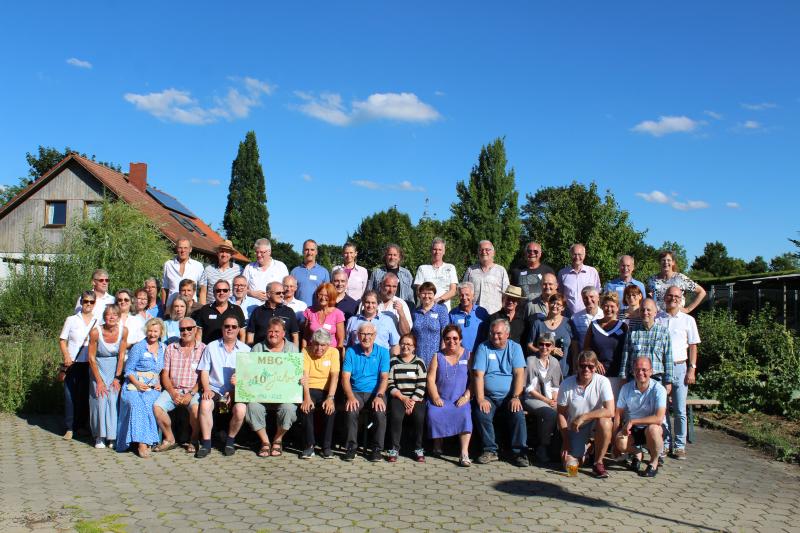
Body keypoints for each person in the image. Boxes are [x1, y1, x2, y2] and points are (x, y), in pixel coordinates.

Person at [473, 318, 528, 467]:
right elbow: (478, 375)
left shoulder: (515, 348)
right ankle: (490, 450)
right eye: (492, 333)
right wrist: (480, 398)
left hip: (510, 396)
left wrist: (516, 397)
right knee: (481, 412)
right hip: (488, 397)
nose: (494, 336)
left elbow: (519, 374)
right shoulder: (483, 348)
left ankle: (519, 453)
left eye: (498, 334)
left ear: (507, 335)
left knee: (518, 414)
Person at [196, 317, 251, 458]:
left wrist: (235, 391)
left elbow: (250, 377)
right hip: (215, 389)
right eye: (227, 326)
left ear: (239, 329)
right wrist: (207, 389)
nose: (230, 329)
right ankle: (206, 443)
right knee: (205, 404)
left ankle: (230, 442)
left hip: (236, 391)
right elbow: (204, 370)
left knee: (240, 410)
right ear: (222, 328)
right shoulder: (211, 347)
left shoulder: (246, 350)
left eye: (234, 326)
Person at [656, 286, 701, 460]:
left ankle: (680, 446)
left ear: (681, 299)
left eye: (676, 296)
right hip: (661, 368)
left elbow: (693, 346)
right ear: (665, 297)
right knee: (663, 408)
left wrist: (692, 368)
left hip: (680, 367)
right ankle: (666, 444)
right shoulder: (658, 317)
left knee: (680, 410)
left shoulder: (688, 320)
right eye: (670, 295)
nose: (672, 299)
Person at [246, 318, 300, 458]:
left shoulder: (293, 349)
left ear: (284, 333)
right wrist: (239, 379)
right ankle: (265, 442)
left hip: (285, 395)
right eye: (270, 331)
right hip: (261, 394)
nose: (273, 334)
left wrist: (301, 378)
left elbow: (297, 372)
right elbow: (249, 373)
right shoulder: (257, 348)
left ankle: (277, 439)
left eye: (277, 331)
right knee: (253, 407)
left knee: (288, 409)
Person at [556, 350, 614, 478]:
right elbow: (561, 414)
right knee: (571, 466)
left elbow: (610, 411)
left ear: (595, 367)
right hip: (575, 428)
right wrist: (565, 440)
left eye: (590, 366)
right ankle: (588, 449)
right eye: (582, 366)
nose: (586, 369)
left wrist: (583, 417)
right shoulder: (566, 384)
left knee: (606, 421)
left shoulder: (603, 381)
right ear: (577, 367)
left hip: (594, 424)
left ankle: (598, 463)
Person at [153, 317, 205, 454]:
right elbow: (165, 374)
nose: (186, 331)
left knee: (196, 410)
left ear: (195, 330)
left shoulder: (203, 349)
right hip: (174, 389)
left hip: (193, 390)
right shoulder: (171, 348)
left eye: (189, 328)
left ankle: (194, 439)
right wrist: (172, 392)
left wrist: (191, 393)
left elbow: (203, 377)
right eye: (182, 329)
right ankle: (170, 439)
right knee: (157, 407)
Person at [116, 318, 167, 458]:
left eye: (155, 331)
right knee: (137, 404)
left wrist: (160, 383)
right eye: (150, 331)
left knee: (149, 403)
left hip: (152, 387)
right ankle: (142, 443)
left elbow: (164, 371)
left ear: (161, 332)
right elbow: (129, 370)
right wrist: (138, 384)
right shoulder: (139, 347)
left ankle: (147, 440)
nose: (152, 334)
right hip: (134, 385)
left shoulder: (164, 348)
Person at [341, 322, 391, 462]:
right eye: (363, 334)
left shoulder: (383, 352)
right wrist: (350, 397)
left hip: (376, 392)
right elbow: (345, 378)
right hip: (356, 391)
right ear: (358, 335)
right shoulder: (351, 351)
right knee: (351, 410)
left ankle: (376, 449)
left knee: (380, 413)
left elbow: (384, 377)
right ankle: (351, 447)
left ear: (374, 336)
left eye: (369, 334)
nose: (366, 337)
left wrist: (380, 396)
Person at [426, 325, 473, 466]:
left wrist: (466, 396)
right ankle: (438, 444)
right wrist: (435, 397)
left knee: (465, 414)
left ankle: (464, 453)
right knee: (433, 412)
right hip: (442, 398)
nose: (451, 341)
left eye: (455, 338)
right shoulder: (437, 356)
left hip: (460, 399)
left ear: (460, 339)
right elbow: (430, 379)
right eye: (447, 338)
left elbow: (475, 379)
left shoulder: (468, 355)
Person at [614, 357, 667, 477]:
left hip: (652, 428)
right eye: (637, 369)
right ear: (633, 371)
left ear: (651, 371)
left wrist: (633, 421)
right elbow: (618, 414)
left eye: (644, 370)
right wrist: (614, 442)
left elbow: (659, 418)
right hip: (633, 429)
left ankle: (653, 462)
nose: (640, 373)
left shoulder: (659, 390)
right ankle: (637, 453)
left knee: (653, 429)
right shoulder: (626, 388)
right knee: (620, 442)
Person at [60, 290, 99, 440]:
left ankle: (81, 426)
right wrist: (66, 356)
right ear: (81, 302)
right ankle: (69, 427)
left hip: (89, 363)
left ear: (95, 304)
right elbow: (62, 339)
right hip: (73, 362)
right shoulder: (71, 319)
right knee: (70, 395)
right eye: (85, 301)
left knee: (84, 396)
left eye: (91, 302)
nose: (88, 304)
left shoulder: (98, 321)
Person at [87, 304, 127, 449]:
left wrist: (117, 377)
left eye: (114, 314)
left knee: (113, 399)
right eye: (108, 314)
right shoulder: (95, 332)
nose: (111, 317)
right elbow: (91, 358)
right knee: (100, 399)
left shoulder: (124, 331)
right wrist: (99, 381)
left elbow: (122, 355)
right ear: (104, 316)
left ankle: (112, 436)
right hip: (97, 367)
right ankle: (99, 436)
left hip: (114, 368)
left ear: (118, 317)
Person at [386, 333, 428, 462]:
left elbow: (422, 384)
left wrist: (412, 401)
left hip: (416, 399)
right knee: (396, 416)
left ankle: (418, 448)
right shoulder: (393, 361)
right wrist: (403, 398)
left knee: (419, 417)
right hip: (398, 397)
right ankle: (394, 448)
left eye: (409, 344)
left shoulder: (419, 362)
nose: (405, 346)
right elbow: (390, 383)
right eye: (403, 343)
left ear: (414, 347)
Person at [523, 332, 563, 464]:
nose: (544, 347)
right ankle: (543, 447)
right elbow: (528, 388)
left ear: (552, 347)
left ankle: (558, 448)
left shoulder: (555, 362)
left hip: (550, 399)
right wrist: (547, 401)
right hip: (531, 398)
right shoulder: (531, 361)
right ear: (537, 345)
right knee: (550, 413)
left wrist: (555, 400)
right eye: (541, 344)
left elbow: (556, 385)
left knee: (563, 412)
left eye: (548, 345)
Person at [619, 299, 674, 395]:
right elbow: (625, 356)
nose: (645, 313)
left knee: (656, 409)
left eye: (648, 310)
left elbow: (668, 358)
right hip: (635, 378)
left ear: (655, 312)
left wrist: (668, 381)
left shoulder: (664, 332)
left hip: (656, 378)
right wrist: (623, 377)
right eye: (642, 310)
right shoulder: (632, 331)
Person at [299, 329, 339, 459]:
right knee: (306, 408)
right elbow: (304, 376)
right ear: (312, 342)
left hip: (327, 390)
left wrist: (330, 398)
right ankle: (309, 446)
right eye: (316, 344)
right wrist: (306, 398)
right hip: (309, 387)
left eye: (323, 345)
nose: (319, 348)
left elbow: (335, 376)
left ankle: (326, 447)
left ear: (329, 345)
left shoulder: (334, 352)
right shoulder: (305, 351)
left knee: (330, 410)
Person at [584, 292, 627, 399]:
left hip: (617, 375)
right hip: (596, 374)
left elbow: (627, 350)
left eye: (612, 306)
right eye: (606, 306)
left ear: (617, 308)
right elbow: (586, 348)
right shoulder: (593, 325)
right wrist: (595, 361)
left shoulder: (623, 326)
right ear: (602, 307)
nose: (609, 309)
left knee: (614, 408)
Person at [528, 293, 577, 377]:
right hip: (541, 372)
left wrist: (575, 368)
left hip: (564, 372)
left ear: (563, 308)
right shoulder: (538, 323)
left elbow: (575, 348)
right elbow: (529, 345)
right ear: (548, 304)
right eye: (552, 303)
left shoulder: (569, 323)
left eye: (558, 304)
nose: (555, 306)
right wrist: (547, 351)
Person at [462, 240, 509, 315]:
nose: (484, 252)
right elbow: (463, 291)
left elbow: (506, 295)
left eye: (487, 250)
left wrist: (502, 312)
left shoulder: (501, 270)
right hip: (473, 314)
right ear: (478, 252)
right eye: (481, 250)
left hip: (494, 314)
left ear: (493, 253)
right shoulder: (471, 270)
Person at [192, 280, 246, 345]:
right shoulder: (205, 309)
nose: (221, 293)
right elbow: (199, 333)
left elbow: (242, 334)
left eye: (225, 290)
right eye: (218, 290)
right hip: (209, 351)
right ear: (213, 293)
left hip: (231, 351)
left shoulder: (237, 310)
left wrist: (241, 351)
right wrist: (199, 350)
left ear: (229, 292)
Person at [247, 281, 300, 346]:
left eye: (283, 293)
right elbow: (250, 334)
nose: (282, 295)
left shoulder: (289, 311)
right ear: (268, 294)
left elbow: (295, 335)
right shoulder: (257, 311)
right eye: (278, 293)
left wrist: (295, 354)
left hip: (285, 353)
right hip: (261, 353)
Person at [411, 282, 450, 366]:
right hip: (418, 356)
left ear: (434, 295)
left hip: (436, 356)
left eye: (429, 293)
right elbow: (412, 334)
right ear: (419, 295)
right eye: (424, 293)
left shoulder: (441, 310)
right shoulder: (415, 312)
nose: (426, 296)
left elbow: (445, 333)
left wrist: (443, 355)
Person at [413, 237, 458, 310]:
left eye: (440, 250)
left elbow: (453, 291)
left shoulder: (450, 268)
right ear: (431, 251)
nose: (437, 252)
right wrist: (429, 302)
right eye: (435, 249)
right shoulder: (422, 268)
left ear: (444, 251)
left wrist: (438, 300)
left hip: (444, 309)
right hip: (425, 309)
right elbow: (418, 290)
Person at [557, 243, 601, 316]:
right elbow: (560, 295)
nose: (577, 257)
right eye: (574, 254)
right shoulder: (562, 273)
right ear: (570, 255)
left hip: (589, 315)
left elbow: (597, 293)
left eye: (580, 254)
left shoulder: (592, 272)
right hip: (568, 316)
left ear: (584, 255)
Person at [302, 283, 345, 356]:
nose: (323, 298)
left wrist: (338, 357)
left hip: (330, 354)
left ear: (331, 296)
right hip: (312, 353)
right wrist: (303, 354)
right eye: (320, 294)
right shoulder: (309, 311)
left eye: (326, 295)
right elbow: (305, 337)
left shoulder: (338, 314)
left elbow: (340, 340)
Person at [368, 244, 415, 309]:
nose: (392, 257)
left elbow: (411, 296)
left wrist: (411, 309)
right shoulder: (376, 273)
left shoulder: (406, 274)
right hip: (380, 308)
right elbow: (369, 292)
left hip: (401, 308)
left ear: (399, 258)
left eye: (395, 255)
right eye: (389, 254)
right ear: (385, 257)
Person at [161, 238, 205, 308]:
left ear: (190, 249)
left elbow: (203, 289)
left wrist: (203, 308)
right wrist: (164, 308)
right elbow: (164, 288)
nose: (183, 251)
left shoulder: (198, 266)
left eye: (185, 248)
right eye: (180, 248)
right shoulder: (168, 265)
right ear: (176, 249)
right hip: (172, 308)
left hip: (191, 309)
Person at [448, 282, 489, 354]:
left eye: (467, 295)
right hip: (459, 355)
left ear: (473, 296)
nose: (464, 298)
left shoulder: (482, 312)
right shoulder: (452, 314)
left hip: (479, 354)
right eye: (461, 295)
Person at [199, 240, 242, 305]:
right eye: (222, 251)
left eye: (227, 252)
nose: (224, 254)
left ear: (231, 254)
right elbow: (203, 291)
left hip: (231, 309)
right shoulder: (208, 269)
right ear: (217, 253)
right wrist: (202, 309)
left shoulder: (239, 270)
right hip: (211, 308)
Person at [291, 239, 330, 306]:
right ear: (303, 251)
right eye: (307, 249)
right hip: (298, 312)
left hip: (317, 312)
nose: (309, 253)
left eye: (312, 250)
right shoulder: (295, 271)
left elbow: (328, 294)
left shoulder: (324, 272)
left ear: (316, 252)